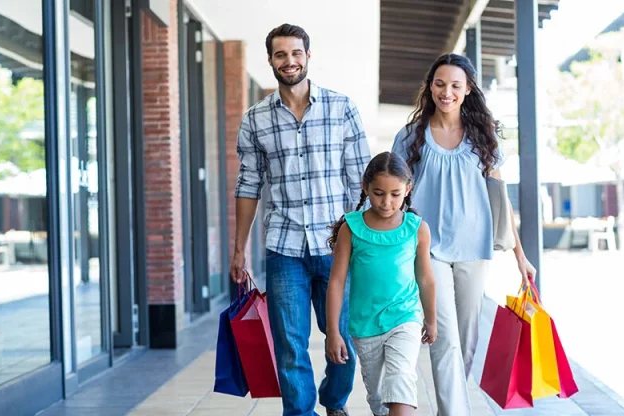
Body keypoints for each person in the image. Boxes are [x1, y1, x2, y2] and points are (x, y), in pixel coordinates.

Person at [230, 23, 371, 416]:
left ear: (308, 56)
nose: (288, 61)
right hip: (284, 248)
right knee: (291, 344)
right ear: (271, 61)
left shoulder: (341, 108)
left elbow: (361, 180)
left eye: (295, 53)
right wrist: (239, 247)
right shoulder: (255, 119)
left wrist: (361, 239)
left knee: (341, 336)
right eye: (280, 55)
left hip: (336, 245)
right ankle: (300, 412)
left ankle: (335, 400)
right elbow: (248, 186)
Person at [391, 53, 537, 415]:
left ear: (468, 89)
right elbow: (393, 194)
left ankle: (450, 408)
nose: (446, 92)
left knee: (468, 339)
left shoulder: (483, 137)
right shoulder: (411, 137)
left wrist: (520, 256)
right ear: (430, 86)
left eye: (456, 85)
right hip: (428, 251)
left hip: (475, 247)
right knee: (445, 338)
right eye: (440, 84)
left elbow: (501, 203)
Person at [324, 151, 437, 416]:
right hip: (365, 327)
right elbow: (337, 282)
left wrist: (430, 319)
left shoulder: (417, 228)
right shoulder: (350, 229)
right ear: (365, 187)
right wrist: (333, 332)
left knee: (400, 382)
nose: (386, 202)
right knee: (378, 399)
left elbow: (425, 278)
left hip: (404, 317)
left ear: (407, 190)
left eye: (395, 194)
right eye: (378, 193)